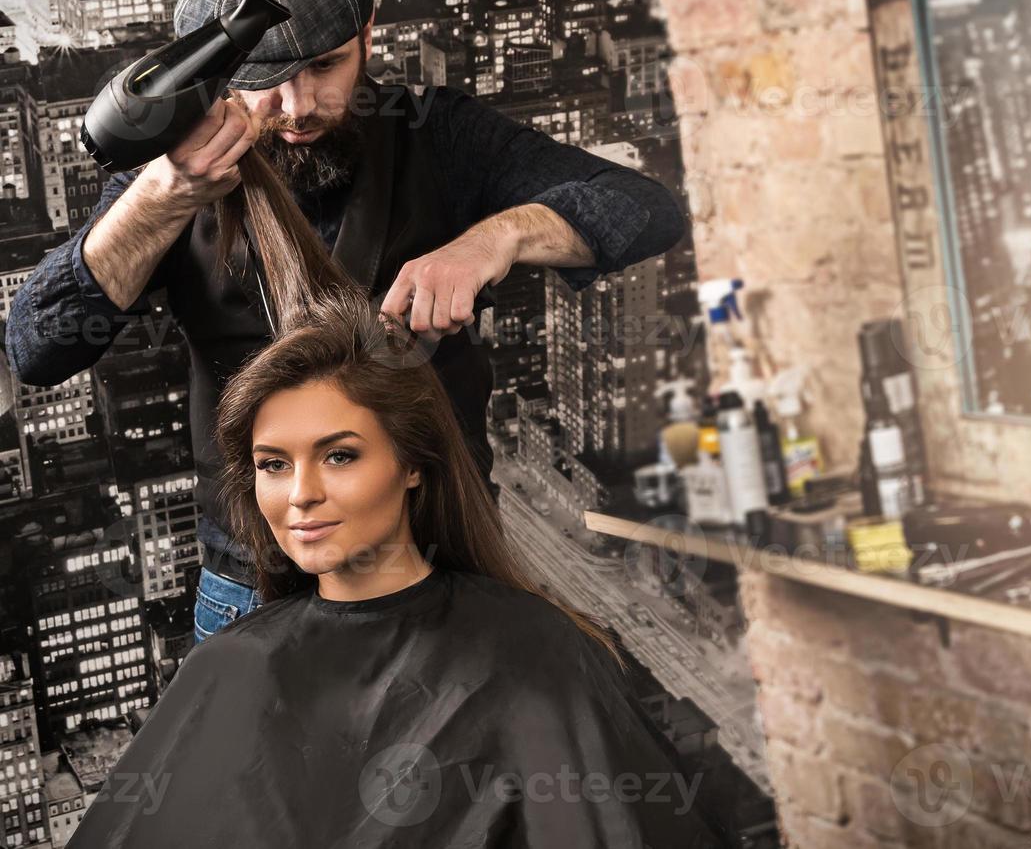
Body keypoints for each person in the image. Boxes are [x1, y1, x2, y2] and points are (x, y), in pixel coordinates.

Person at [4, 0, 689, 640]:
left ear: (367, 36)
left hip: (441, 563)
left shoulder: (438, 136)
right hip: (256, 590)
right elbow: (38, 345)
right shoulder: (168, 177)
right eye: (268, 79)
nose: (298, 108)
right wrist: (164, 195)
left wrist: (497, 237)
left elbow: (646, 208)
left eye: (326, 66)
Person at [67, 273, 734, 846]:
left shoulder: (536, 653)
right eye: (273, 465)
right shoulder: (226, 669)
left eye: (340, 455)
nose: (301, 494)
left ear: (413, 463)